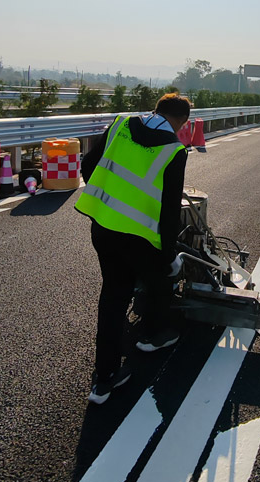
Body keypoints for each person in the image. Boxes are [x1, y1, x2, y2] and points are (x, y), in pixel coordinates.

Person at [76, 93, 191, 404]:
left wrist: (105, 199)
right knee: (161, 279)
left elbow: (88, 164)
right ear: (182, 121)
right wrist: (169, 254)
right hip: (140, 237)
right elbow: (169, 210)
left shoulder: (121, 124)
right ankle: (153, 335)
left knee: (112, 298)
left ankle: (105, 378)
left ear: (156, 109)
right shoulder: (174, 150)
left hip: (103, 227)